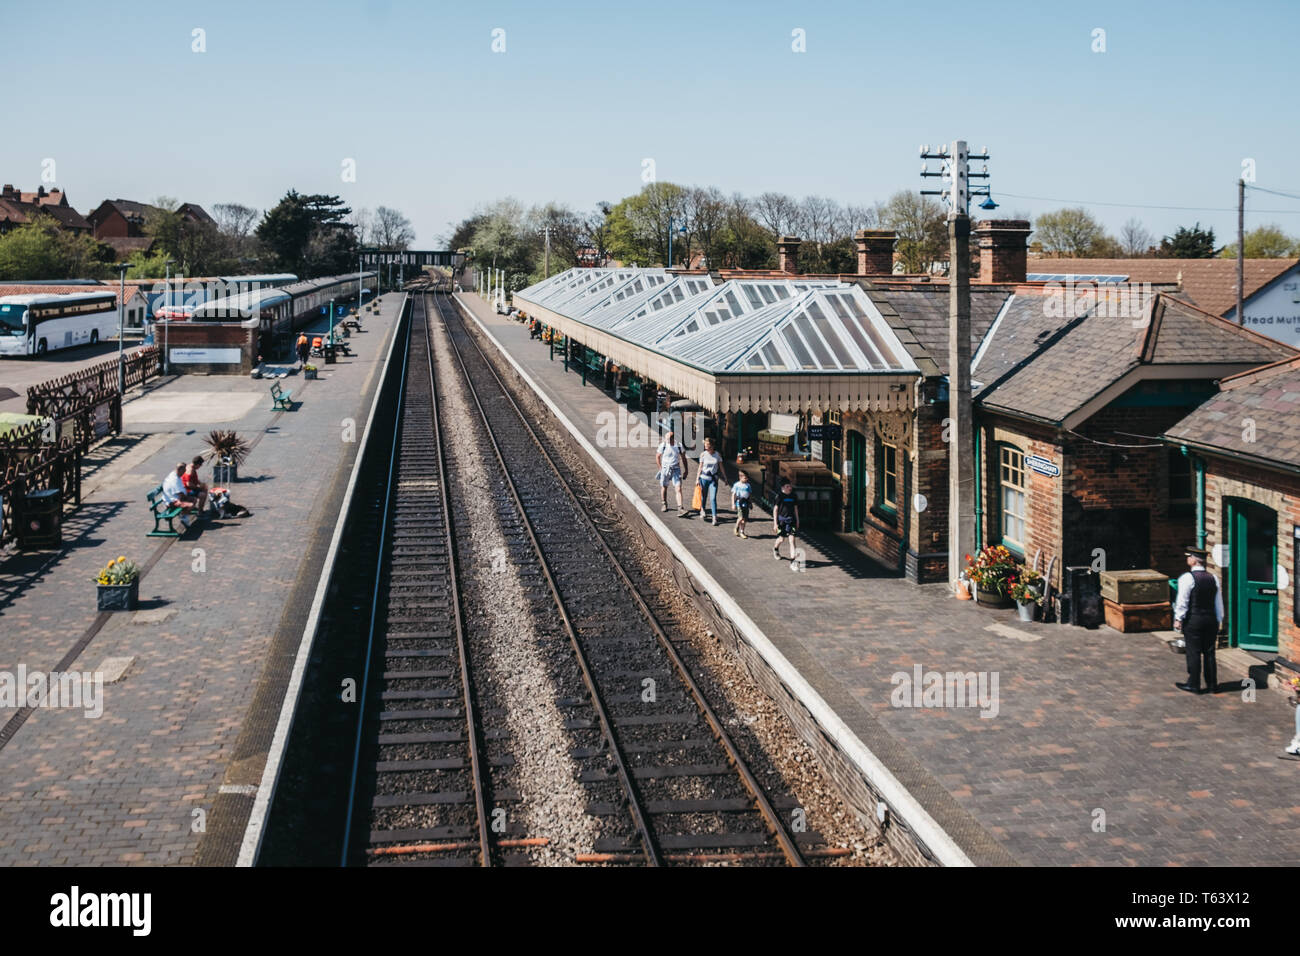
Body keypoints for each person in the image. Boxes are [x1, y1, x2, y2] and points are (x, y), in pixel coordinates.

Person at [1173, 545, 1224, 694]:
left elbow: (1183, 601)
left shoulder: (1187, 578)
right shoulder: (1213, 578)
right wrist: (1219, 618)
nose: (1187, 559)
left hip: (1194, 620)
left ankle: (1193, 684)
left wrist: (1178, 618)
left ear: (1194, 560)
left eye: (1189, 556)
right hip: (1211, 619)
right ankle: (1212, 684)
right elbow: (1218, 602)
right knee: (1209, 652)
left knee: (1193, 652)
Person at [655, 430, 688, 513]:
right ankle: (664, 503)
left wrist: (686, 470)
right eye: (666, 439)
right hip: (665, 469)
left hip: (676, 469)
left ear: (673, 438)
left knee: (678, 488)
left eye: (668, 439)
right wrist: (660, 468)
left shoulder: (679, 446)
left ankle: (680, 507)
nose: (666, 440)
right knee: (664, 487)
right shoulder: (663, 445)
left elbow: (684, 458)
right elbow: (657, 456)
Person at [696, 437, 723, 526]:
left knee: (713, 498)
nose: (705, 447)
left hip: (713, 479)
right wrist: (697, 479)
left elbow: (721, 467)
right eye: (705, 445)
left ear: (712, 446)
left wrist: (725, 478)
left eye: (707, 445)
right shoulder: (703, 455)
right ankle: (702, 509)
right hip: (704, 478)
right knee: (704, 496)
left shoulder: (717, 455)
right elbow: (700, 467)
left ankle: (714, 517)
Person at [772, 480, 800, 560]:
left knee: (792, 540)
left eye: (790, 486)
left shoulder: (794, 496)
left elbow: (795, 509)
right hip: (782, 521)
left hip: (791, 521)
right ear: (783, 488)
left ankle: (793, 559)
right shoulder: (779, 496)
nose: (790, 488)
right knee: (781, 539)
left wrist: (797, 520)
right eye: (787, 486)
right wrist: (775, 524)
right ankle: (775, 549)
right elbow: (775, 510)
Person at [731, 472, 753, 538]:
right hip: (739, 503)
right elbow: (733, 495)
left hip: (746, 503)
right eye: (745, 478)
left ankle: (742, 532)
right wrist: (733, 504)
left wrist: (750, 503)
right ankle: (736, 527)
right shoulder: (737, 485)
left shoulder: (748, 485)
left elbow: (749, 494)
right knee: (740, 517)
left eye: (747, 478)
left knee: (744, 519)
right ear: (740, 477)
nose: (746, 479)